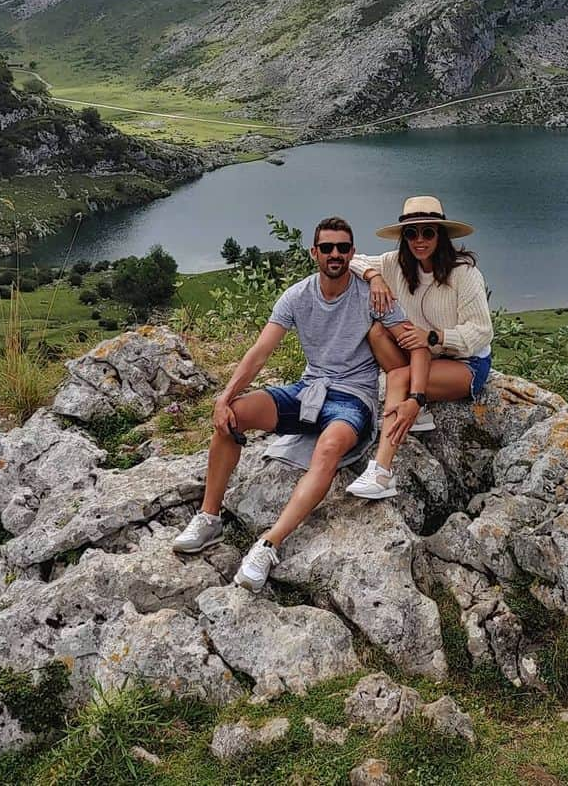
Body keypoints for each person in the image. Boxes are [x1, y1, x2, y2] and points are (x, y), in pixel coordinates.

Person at [171, 215, 413, 591]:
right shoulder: (298, 296)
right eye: (327, 248)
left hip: (353, 400)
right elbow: (260, 352)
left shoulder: (372, 297)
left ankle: (268, 545)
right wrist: (225, 397)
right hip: (309, 389)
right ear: (314, 252)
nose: (336, 254)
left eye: (343, 248)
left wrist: (417, 389)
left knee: (329, 447)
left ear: (352, 253)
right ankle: (209, 517)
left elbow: (410, 345)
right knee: (232, 417)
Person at [345, 195, 493, 500]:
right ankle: (418, 402)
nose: (419, 240)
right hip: (419, 357)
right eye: (411, 233)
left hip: (466, 364)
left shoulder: (464, 275)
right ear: (404, 238)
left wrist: (434, 338)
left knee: (397, 378)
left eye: (428, 232)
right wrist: (374, 278)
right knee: (376, 331)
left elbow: (481, 331)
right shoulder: (394, 265)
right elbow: (350, 259)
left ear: (441, 235)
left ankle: (382, 472)